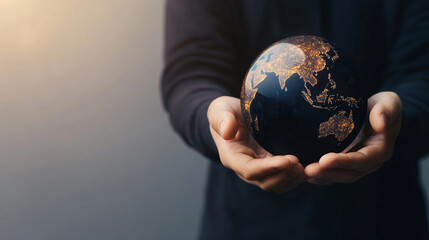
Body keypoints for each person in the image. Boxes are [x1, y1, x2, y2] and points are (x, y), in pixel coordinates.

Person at [161, 0, 429, 239]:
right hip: (246, 221)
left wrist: (397, 121)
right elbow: (192, 68)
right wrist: (216, 121)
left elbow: (421, 70)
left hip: (385, 217)